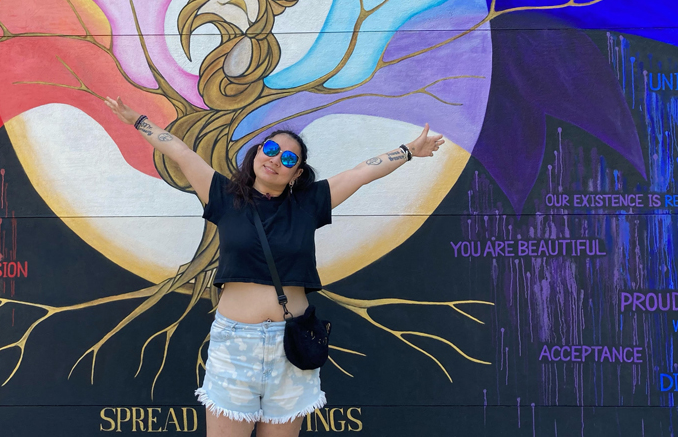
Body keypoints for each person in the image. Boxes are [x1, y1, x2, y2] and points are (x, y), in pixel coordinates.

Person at [104, 96, 445, 437]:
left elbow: (361, 172)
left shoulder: (309, 203)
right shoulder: (222, 195)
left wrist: (409, 150)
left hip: (292, 346)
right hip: (235, 346)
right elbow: (180, 152)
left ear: (296, 173)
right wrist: (138, 120)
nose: (275, 160)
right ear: (256, 152)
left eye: (287, 158)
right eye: (270, 149)